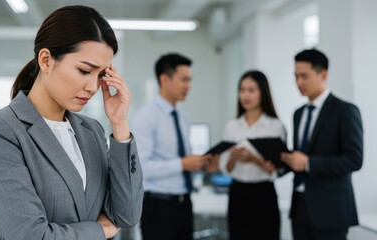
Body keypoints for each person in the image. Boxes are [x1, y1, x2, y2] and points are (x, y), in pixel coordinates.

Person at [0, 5, 143, 240]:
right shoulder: (0, 130)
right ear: (46, 60)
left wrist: (120, 124)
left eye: (101, 75)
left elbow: (127, 215)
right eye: (85, 71)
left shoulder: (92, 130)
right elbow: (29, 235)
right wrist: (101, 231)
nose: (93, 87)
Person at [281, 49, 363, 240]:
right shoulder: (298, 113)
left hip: (331, 212)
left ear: (323, 74)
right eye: (295, 76)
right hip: (300, 208)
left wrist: (309, 163)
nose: (298, 83)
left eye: (304, 76)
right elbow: (302, 155)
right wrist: (283, 162)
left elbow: (354, 160)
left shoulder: (345, 111)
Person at [132, 53, 211, 240]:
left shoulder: (183, 118)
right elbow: (142, 167)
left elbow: (184, 158)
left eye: (190, 80)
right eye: (183, 80)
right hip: (158, 206)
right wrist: (182, 164)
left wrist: (203, 164)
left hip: (184, 204)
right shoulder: (145, 117)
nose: (188, 86)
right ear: (164, 79)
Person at [213, 70, 286, 240]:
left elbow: (277, 170)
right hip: (238, 193)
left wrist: (253, 159)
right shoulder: (232, 126)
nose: (245, 95)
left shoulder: (275, 126)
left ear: (263, 92)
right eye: (242, 90)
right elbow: (226, 168)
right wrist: (232, 157)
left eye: (251, 90)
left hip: (264, 195)